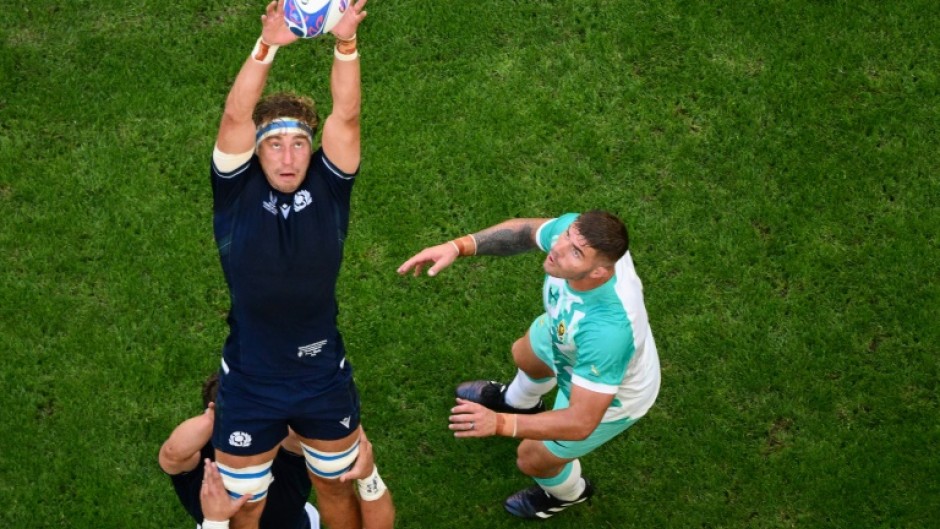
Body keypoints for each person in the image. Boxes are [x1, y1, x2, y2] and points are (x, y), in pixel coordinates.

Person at [205, 1, 391, 528]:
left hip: (320, 376)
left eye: (299, 145)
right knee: (242, 508)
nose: (288, 159)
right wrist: (265, 45)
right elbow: (236, 116)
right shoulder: (234, 191)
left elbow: (346, 116)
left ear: (312, 150)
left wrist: (347, 43)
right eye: (275, 145)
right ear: (255, 152)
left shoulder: (331, 187)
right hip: (248, 379)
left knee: (336, 489)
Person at [397, 211, 661, 520]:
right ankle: (519, 403)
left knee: (532, 457)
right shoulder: (577, 235)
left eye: (576, 252)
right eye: (567, 237)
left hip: (611, 396)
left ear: (599, 273)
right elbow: (524, 232)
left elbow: (580, 421)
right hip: (567, 335)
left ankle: (569, 494)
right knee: (525, 354)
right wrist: (458, 246)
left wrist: (499, 424)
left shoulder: (608, 331)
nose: (558, 248)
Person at [159, 373, 395, 529]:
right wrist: (368, 475)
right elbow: (172, 455)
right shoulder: (205, 449)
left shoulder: (284, 438)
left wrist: (216, 522)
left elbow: (313, 430)